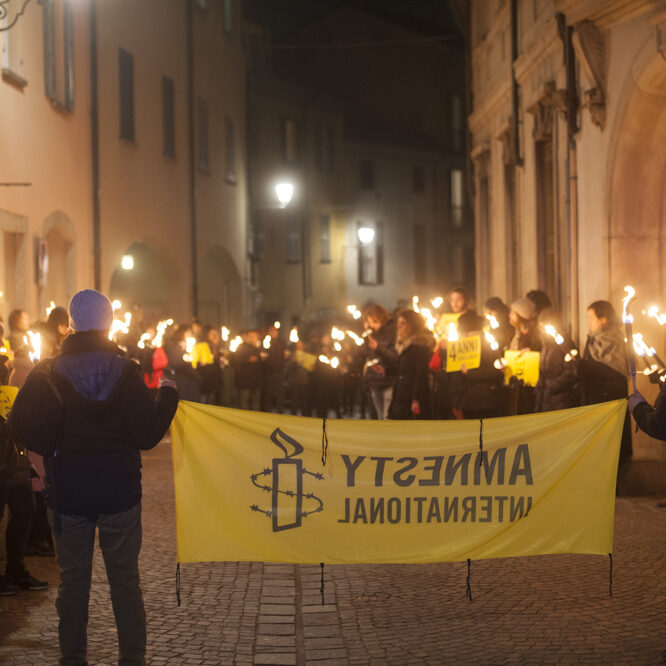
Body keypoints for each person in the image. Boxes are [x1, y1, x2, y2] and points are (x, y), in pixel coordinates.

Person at [10, 289, 179, 665]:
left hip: (70, 493)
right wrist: (167, 398)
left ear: (71, 325)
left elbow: (18, 425)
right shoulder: (127, 369)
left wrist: (52, 443)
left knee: (72, 585)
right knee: (125, 584)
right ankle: (132, 659)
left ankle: (73, 658)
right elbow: (147, 435)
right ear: (109, 323)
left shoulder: (48, 371)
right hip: (119, 492)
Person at [578, 300, 632, 462]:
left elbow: (614, 371)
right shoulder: (592, 340)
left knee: (611, 453)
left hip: (609, 402)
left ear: (604, 319)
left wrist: (583, 367)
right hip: (593, 402)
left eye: (591, 317)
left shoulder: (615, 340)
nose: (588, 321)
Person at [450, 310, 504, 420]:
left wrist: (469, 372)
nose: (464, 335)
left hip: (484, 400)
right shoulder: (460, 346)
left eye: (468, 331)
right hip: (467, 400)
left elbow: (495, 370)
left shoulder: (487, 345)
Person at [388, 309, 433, 420]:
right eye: (398, 323)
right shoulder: (401, 345)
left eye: (403, 323)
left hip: (411, 398)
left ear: (413, 326)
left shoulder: (419, 347)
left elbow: (420, 375)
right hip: (400, 395)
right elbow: (401, 370)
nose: (399, 326)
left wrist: (416, 399)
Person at [533, 307, 578, 413]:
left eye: (543, 324)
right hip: (545, 398)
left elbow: (571, 369)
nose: (540, 328)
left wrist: (553, 387)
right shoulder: (545, 345)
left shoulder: (564, 343)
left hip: (560, 399)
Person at [362, 304, 396, 420]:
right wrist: (366, 335)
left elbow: (394, 357)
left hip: (388, 380)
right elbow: (364, 353)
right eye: (369, 322)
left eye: (375, 321)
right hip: (374, 381)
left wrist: (378, 348)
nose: (372, 325)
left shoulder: (392, 332)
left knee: (387, 416)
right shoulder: (370, 334)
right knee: (379, 416)